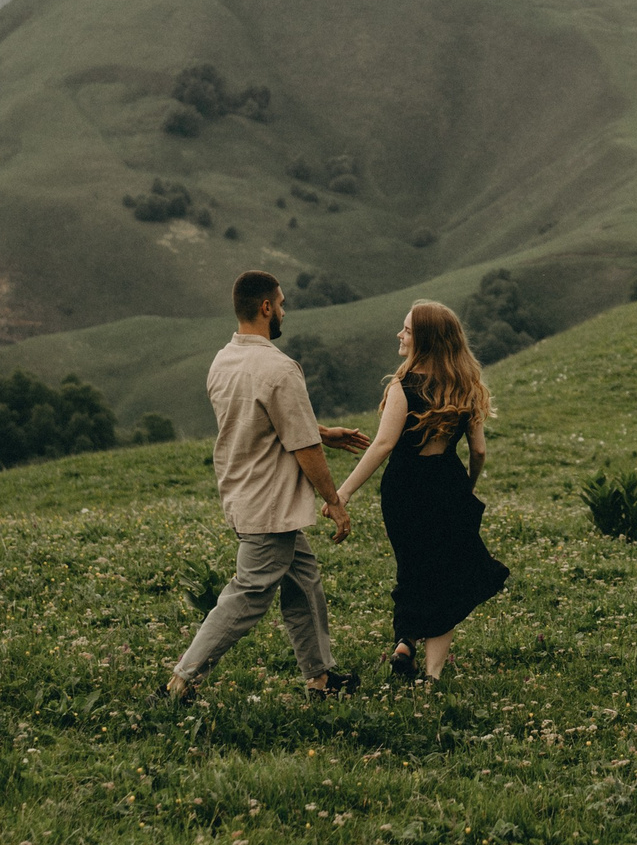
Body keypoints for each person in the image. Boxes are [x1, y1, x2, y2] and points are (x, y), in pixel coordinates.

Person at [165, 270, 372, 702]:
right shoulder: (279, 368)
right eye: (280, 303)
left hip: (243, 493)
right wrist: (334, 500)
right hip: (270, 503)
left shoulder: (224, 360)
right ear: (265, 308)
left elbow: (266, 419)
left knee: (304, 581)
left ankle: (322, 678)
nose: (283, 311)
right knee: (249, 594)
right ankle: (183, 679)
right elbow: (302, 446)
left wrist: (323, 431)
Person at [335, 299, 510, 682]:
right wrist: (468, 485)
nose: (400, 334)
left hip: (404, 487)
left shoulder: (404, 386)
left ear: (426, 339)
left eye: (408, 330)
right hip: (446, 483)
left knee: (413, 567)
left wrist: (343, 493)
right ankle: (431, 674)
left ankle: (405, 641)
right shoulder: (467, 387)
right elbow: (478, 451)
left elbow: (382, 445)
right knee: (445, 575)